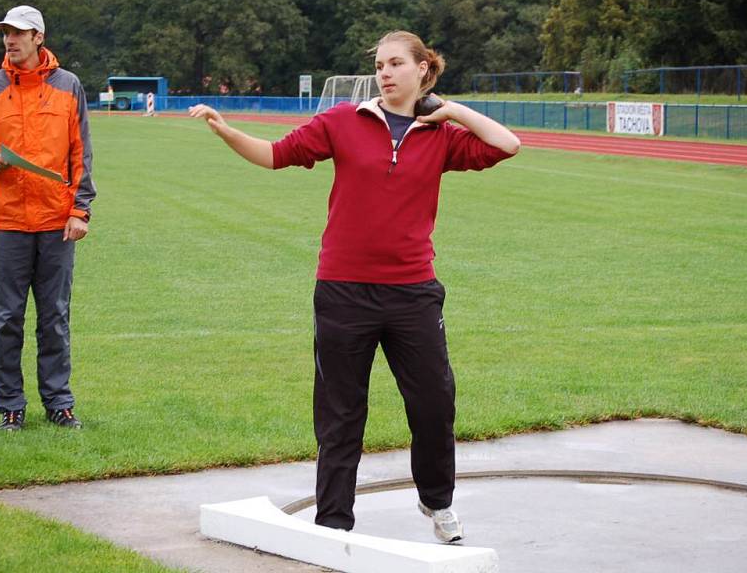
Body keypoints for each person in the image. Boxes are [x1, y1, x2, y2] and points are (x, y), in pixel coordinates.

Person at [189, 30, 520, 542]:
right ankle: (334, 524)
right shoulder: (344, 121)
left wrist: (449, 111)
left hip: (413, 291)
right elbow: (275, 154)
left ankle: (437, 502)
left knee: (435, 403)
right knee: (341, 414)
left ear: (421, 70)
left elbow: (508, 145)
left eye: (395, 64)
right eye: (379, 65)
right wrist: (225, 130)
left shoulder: (441, 135)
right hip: (343, 291)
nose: (384, 73)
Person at [0, 5, 96, 431]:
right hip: (9, 223)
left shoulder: (69, 86)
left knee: (55, 317)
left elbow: (81, 155)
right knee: (7, 319)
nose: (9, 41)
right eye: (5, 34)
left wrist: (80, 210)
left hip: (58, 224)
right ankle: (10, 406)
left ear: (39, 37)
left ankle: (58, 403)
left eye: (17, 33)